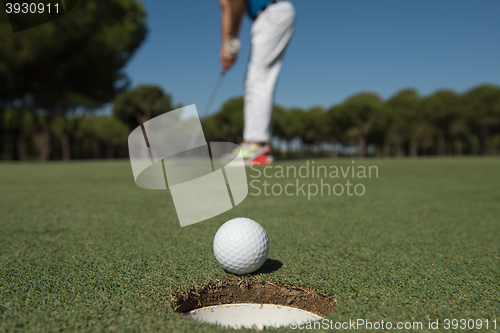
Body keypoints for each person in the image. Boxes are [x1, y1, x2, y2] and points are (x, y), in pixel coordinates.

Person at [219, 0, 295, 165]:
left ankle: (257, 146)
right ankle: (254, 144)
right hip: (273, 14)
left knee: (258, 80)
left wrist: (229, 42)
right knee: (256, 79)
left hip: (271, 14)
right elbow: (229, 7)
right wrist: (229, 42)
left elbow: (233, 3)